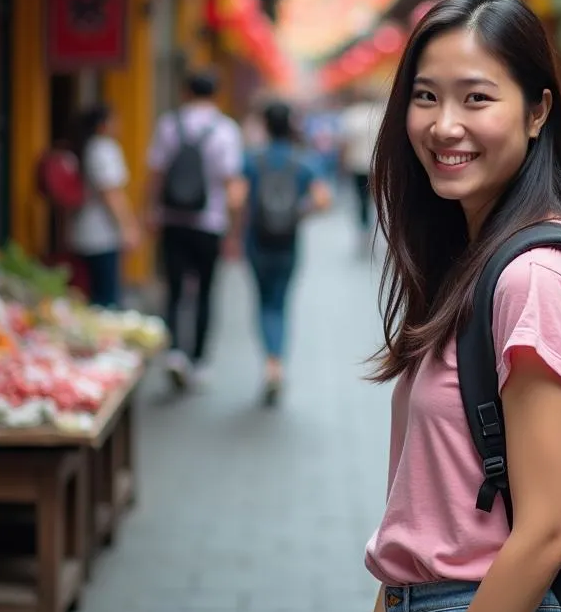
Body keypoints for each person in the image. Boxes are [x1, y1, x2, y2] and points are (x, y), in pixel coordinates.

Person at [361, 0, 561, 612]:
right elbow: (423, 518)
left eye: (476, 97)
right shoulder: (472, 265)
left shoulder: (532, 279)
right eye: (426, 96)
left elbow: (545, 531)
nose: (445, 124)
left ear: (537, 113)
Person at [146, 70, 244, 391]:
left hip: (172, 219)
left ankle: (175, 352)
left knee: (174, 289)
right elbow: (232, 185)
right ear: (216, 93)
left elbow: (156, 173)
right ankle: (199, 362)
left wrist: (149, 211)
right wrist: (233, 232)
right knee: (205, 292)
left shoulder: (168, 124)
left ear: (186, 91)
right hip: (210, 223)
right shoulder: (226, 129)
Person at [234, 100, 331, 405]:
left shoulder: (251, 159)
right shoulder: (303, 160)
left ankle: (270, 362)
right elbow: (323, 200)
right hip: (287, 242)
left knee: (263, 303)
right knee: (280, 302)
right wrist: (297, 214)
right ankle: (276, 364)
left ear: (264, 125)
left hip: (257, 241)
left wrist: (237, 232)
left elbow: (235, 200)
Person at [66, 103, 140, 309]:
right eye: (115, 120)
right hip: (102, 234)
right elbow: (111, 193)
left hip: (85, 232)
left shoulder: (88, 147)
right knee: (106, 299)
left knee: (94, 294)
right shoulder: (103, 149)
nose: (119, 125)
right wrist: (128, 227)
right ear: (102, 125)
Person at [340, 92, 384, 255]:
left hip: (357, 164)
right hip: (377, 164)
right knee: (378, 199)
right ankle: (375, 228)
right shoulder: (380, 113)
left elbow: (345, 143)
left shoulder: (351, 115)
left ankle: (365, 230)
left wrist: (343, 163)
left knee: (361, 199)